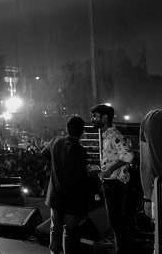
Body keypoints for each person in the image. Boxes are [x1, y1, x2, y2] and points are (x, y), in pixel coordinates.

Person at [44, 116, 89, 254]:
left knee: (55, 229)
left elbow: (43, 153)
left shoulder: (55, 141)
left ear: (67, 129)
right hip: (72, 198)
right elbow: (81, 178)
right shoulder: (79, 150)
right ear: (82, 131)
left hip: (55, 195)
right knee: (70, 232)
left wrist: (57, 160)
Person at [92, 104, 133, 253]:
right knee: (117, 222)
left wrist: (110, 170)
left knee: (116, 223)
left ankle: (123, 250)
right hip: (111, 183)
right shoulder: (107, 135)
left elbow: (128, 155)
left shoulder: (114, 135)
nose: (93, 119)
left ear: (104, 118)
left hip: (115, 185)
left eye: (95, 116)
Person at [140, 109, 162, 254]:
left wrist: (148, 199)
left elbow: (145, 165)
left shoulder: (149, 119)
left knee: (159, 242)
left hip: (159, 193)